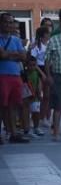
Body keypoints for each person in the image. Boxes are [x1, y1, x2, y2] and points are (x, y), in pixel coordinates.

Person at [0, 12, 29, 144]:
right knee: (2, 105)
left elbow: (23, 57)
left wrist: (9, 54)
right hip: (2, 75)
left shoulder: (16, 39)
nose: (8, 24)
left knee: (13, 105)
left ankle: (13, 133)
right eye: (6, 22)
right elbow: (2, 55)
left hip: (15, 75)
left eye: (11, 22)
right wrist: (14, 55)